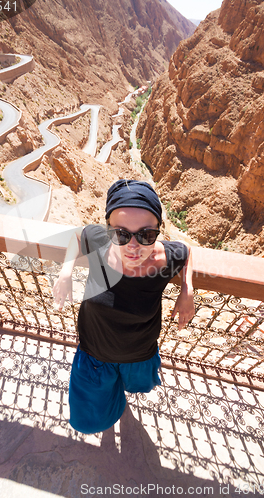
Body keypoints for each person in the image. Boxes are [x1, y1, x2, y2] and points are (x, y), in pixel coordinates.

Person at [53, 179, 195, 434]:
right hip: (95, 353)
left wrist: (188, 290)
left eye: (146, 235)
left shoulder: (165, 259)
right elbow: (77, 234)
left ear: (158, 231)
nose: (133, 245)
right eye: (121, 234)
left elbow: (187, 252)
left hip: (139, 352)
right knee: (88, 420)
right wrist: (66, 272)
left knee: (129, 386)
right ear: (108, 229)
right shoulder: (99, 244)